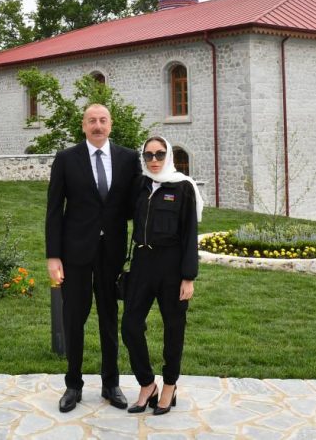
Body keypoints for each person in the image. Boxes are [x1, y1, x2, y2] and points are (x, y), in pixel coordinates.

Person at [45, 104, 141, 413]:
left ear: (110, 125)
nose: (97, 125)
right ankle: (73, 385)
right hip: (75, 252)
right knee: (75, 316)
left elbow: (136, 205)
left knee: (109, 316)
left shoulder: (128, 159)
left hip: (111, 251)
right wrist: (53, 256)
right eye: (91, 121)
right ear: (83, 126)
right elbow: (54, 210)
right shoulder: (66, 159)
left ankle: (110, 383)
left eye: (102, 120)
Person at [121, 136, 201, 416]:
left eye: (159, 154)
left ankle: (169, 385)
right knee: (130, 325)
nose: (153, 160)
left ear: (168, 156)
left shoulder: (183, 188)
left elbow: (191, 234)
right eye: (148, 155)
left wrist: (188, 277)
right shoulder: (140, 185)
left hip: (172, 266)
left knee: (173, 328)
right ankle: (146, 384)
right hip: (142, 263)